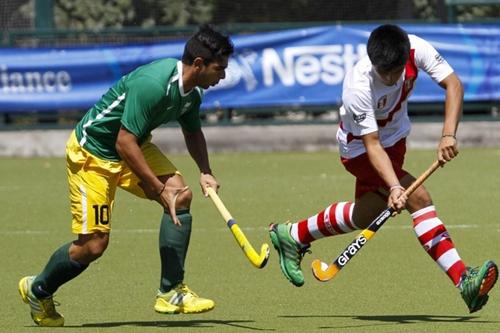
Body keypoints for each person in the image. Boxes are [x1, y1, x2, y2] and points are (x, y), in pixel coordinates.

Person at [269, 24, 497, 313]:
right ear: (373, 62)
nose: (389, 79)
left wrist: (448, 134)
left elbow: (453, 84)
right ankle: (463, 279)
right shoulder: (357, 85)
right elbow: (372, 144)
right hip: (360, 150)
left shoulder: (416, 48)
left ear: (405, 59)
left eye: (395, 72)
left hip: (396, 139)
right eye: (383, 73)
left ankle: (294, 234)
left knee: (366, 214)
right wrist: (394, 186)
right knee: (420, 199)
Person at [18, 24, 234, 327]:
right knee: (93, 246)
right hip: (92, 154)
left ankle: (171, 290)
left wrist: (206, 171)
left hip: (133, 145)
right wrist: (158, 189)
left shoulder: (191, 94)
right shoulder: (154, 84)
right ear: (199, 64)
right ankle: (38, 288)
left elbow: (192, 130)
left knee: (181, 195)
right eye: (219, 68)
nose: (222, 76)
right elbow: (123, 141)